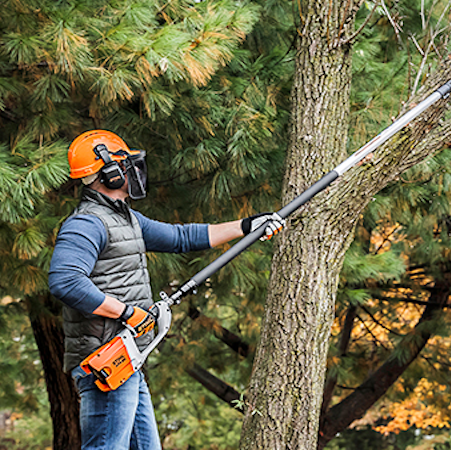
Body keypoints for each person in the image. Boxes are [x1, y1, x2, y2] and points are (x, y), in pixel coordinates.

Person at [48, 130, 284, 450]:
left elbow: (181, 238)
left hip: (126, 360)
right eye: (125, 164)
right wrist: (128, 313)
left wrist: (247, 225)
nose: (134, 170)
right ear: (110, 173)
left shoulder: (124, 219)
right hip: (105, 359)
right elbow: (65, 281)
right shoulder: (87, 223)